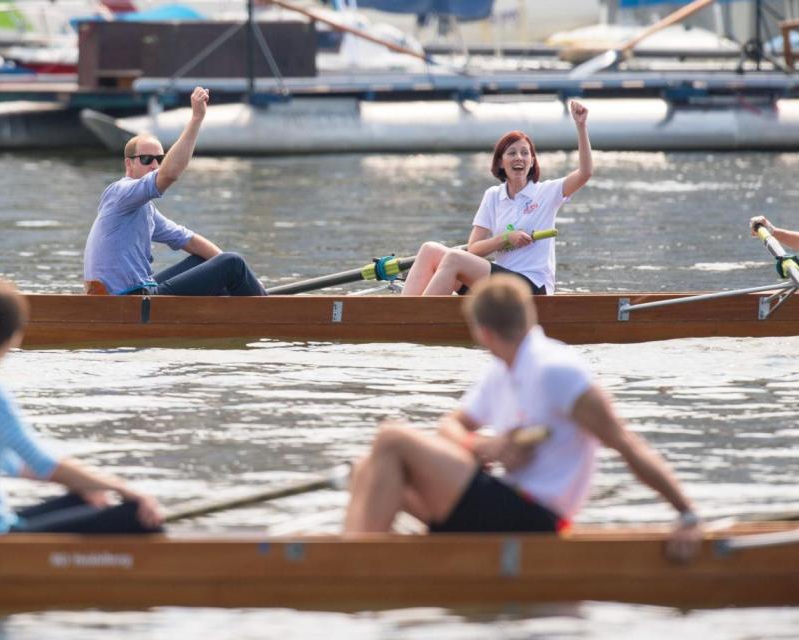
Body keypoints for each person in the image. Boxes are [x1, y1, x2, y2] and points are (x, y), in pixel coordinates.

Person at [345, 274, 703, 561]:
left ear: (482, 333)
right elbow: (449, 426)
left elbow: (625, 443)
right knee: (368, 466)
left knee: (392, 438)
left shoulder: (557, 371)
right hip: (504, 505)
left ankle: (349, 566)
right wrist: (485, 445)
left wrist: (687, 514)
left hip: (538, 517)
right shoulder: (502, 370)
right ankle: (359, 554)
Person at [0, 280, 165, 538]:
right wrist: (128, 490)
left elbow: (14, 464)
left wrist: (83, 485)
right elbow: (43, 463)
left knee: (84, 500)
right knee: (136, 514)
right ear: (14, 334)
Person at [83, 86, 266, 297]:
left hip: (134, 294)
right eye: (146, 159)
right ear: (128, 165)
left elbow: (189, 240)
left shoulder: (144, 208)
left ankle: (244, 301)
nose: (153, 165)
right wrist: (196, 119)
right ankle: (269, 314)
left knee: (208, 259)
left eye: (159, 159)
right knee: (233, 263)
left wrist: (247, 279)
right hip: (128, 299)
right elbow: (168, 175)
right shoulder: (120, 192)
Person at [402, 100, 593, 297]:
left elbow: (585, 173)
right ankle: (400, 318)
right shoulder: (493, 196)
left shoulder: (547, 192)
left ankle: (416, 321)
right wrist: (505, 239)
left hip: (533, 288)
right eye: (512, 153)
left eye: (525, 153)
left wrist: (581, 125)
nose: (519, 157)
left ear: (532, 162)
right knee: (429, 250)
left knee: (454, 258)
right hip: (501, 285)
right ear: (501, 163)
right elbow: (474, 249)